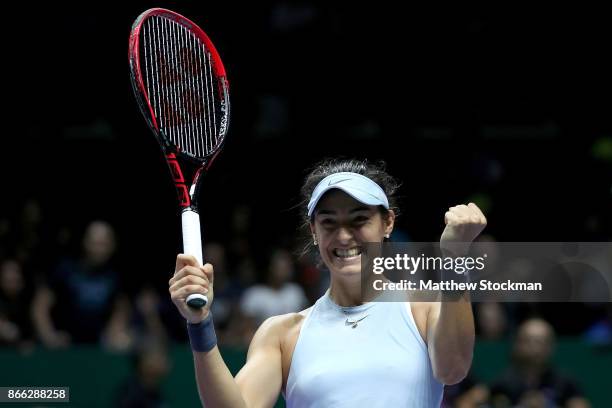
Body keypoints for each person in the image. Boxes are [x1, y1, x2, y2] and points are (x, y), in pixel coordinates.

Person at [168, 159, 487, 407]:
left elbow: (452, 369)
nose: (344, 236)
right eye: (329, 223)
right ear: (313, 231)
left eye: (359, 219)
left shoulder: (425, 308)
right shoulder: (281, 334)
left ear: (387, 222)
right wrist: (200, 323)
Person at [490, 317, 590, 408]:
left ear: (551, 347)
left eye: (540, 342)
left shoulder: (565, 382)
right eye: (528, 341)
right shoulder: (502, 383)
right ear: (517, 345)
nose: (535, 348)